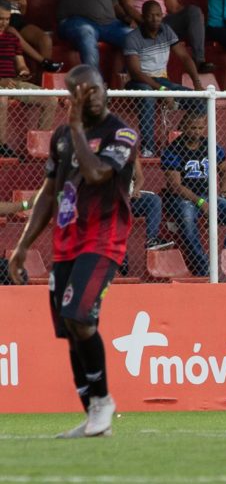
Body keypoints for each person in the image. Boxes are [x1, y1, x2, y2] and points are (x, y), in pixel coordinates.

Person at [9, 64, 137, 437]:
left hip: (103, 240)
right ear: (70, 97)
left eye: (93, 89)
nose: (89, 96)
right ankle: (93, 416)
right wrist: (23, 245)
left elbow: (97, 174)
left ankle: (103, 402)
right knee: (69, 327)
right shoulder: (62, 136)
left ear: (105, 88)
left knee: (80, 317)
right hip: (66, 245)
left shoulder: (122, 133)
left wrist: (78, 127)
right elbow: (49, 192)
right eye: (80, 92)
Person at [161, 113, 226, 277]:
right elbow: (175, 186)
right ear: (184, 127)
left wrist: (223, 192)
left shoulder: (210, 145)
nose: (197, 131)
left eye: (201, 128)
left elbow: (225, 170)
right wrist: (200, 202)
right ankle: (205, 269)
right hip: (182, 199)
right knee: (187, 221)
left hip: (208, 195)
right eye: (193, 128)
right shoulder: (173, 149)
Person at [123, 0, 205, 157]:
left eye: (158, 15)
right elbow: (136, 72)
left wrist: (197, 83)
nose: (155, 19)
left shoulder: (166, 31)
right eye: (150, 15)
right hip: (139, 82)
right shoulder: (132, 37)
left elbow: (184, 57)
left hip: (162, 81)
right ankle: (148, 149)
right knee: (147, 94)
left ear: (162, 16)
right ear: (143, 16)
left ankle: (179, 143)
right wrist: (161, 90)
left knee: (200, 101)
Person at [0, 0, 57, 157]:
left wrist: (24, 71)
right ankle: (1, 146)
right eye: (0, 19)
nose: (3, 23)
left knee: (50, 99)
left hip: (13, 83)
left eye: (6, 19)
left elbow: (21, 64)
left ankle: (40, 146)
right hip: (2, 87)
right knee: (2, 99)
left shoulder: (12, 38)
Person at [120, 0, 215, 73]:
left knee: (194, 11)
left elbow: (174, 7)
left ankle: (199, 61)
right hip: (142, 21)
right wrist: (144, 21)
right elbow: (127, 5)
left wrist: (195, 17)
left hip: (163, 22)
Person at [56, 0, 133, 70]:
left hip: (108, 23)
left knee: (134, 37)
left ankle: (133, 79)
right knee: (87, 33)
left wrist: (125, 17)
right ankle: (93, 78)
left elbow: (114, 5)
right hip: (76, 21)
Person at [6, 0, 63, 73]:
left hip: (18, 22)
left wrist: (23, 5)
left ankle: (41, 77)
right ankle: (45, 62)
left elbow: (21, 14)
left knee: (45, 39)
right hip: (4, 23)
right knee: (12, 32)